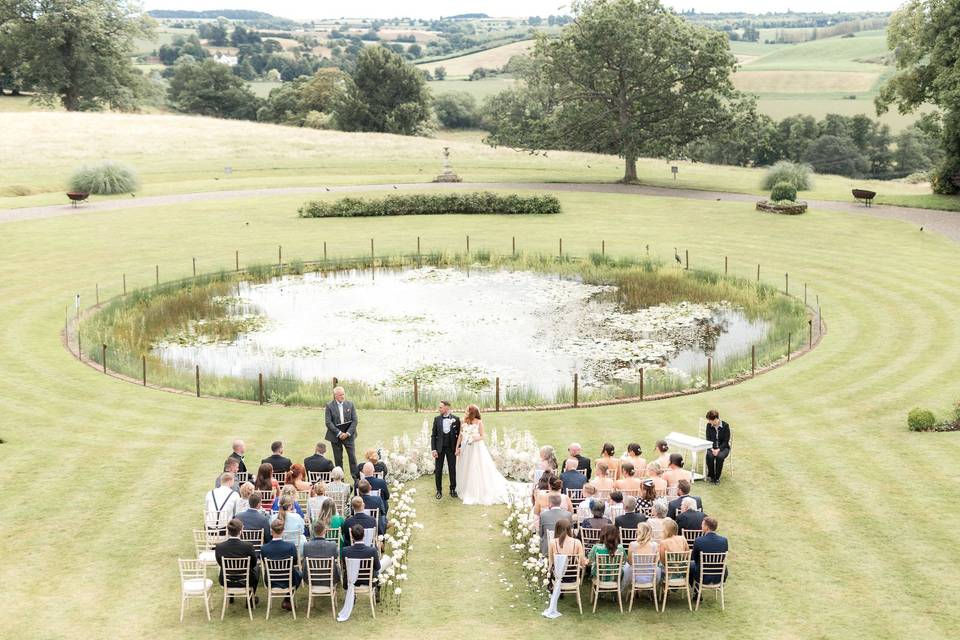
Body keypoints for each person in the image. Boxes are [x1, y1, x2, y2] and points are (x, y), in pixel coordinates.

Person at [455, 404, 513, 505]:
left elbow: (482, 436)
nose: (465, 411)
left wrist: (473, 438)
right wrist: (457, 447)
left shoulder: (479, 422)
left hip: (476, 449)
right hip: (466, 448)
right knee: (465, 466)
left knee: (475, 467)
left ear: (472, 412)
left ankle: (475, 490)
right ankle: (464, 487)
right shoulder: (463, 421)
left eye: (467, 410)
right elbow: (460, 435)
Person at [260, 519, 302, 610]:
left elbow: (265, 563)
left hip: (270, 580)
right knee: (299, 574)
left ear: (271, 531)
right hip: (288, 580)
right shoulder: (290, 546)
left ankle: (287, 600)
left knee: (297, 574)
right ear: (283, 531)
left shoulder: (264, 548)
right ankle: (287, 599)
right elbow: (294, 562)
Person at [215, 518, 260, 600]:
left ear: (228, 531)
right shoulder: (248, 546)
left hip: (226, 580)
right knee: (257, 567)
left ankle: (231, 596)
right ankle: (250, 598)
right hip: (245, 580)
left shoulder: (219, 547)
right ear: (241, 531)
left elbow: (220, 563)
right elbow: (253, 564)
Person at [325, 386, 359, 481]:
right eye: (340, 395)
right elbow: (328, 422)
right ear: (335, 396)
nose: (342, 396)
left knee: (352, 458)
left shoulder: (350, 404)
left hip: (349, 435)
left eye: (343, 394)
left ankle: (356, 479)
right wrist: (339, 433)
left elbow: (355, 421)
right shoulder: (329, 406)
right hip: (336, 437)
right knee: (338, 459)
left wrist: (347, 433)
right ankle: (341, 480)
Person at [431, 401, 461, 500]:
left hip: (451, 448)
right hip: (439, 449)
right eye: (439, 407)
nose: (439, 409)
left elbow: (459, 436)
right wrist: (433, 449)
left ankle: (453, 489)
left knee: (452, 469)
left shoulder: (456, 419)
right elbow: (433, 436)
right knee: (438, 470)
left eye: (441, 407)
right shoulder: (437, 419)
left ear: (447, 408)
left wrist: (458, 447)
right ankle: (438, 490)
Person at [547, 518, 586, 590]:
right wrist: (586, 561)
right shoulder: (577, 542)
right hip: (572, 577)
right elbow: (582, 563)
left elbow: (551, 562)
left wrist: (548, 576)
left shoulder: (552, 542)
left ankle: (554, 588)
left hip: (558, 578)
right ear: (569, 529)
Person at [341, 523, 383, 589]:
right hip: (368, 581)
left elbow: (345, 567)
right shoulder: (372, 551)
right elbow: (377, 567)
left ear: (351, 536)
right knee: (383, 563)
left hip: (351, 581)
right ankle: (377, 591)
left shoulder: (345, 551)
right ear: (364, 535)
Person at [690, 516, 728, 587]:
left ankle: (696, 590)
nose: (700, 525)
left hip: (703, 576)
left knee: (690, 564)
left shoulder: (699, 540)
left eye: (702, 524)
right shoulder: (724, 540)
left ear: (707, 527)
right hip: (719, 576)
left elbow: (694, 558)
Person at [621, 521, 660, 590]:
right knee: (658, 569)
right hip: (650, 576)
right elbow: (655, 563)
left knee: (626, 567)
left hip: (635, 575)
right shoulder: (655, 545)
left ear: (639, 532)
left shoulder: (632, 544)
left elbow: (630, 562)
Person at [303, 519, 341, 587]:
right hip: (330, 578)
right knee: (337, 566)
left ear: (313, 531)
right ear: (325, 531)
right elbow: (336, 556)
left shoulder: (306, 545)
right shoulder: (332, 545)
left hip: (311, 579)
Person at [704, 410, 732, 484]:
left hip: (723, 448)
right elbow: (708, 439)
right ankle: (712, 476)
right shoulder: (709, 426)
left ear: (716, 419)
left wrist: (718, 450)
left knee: (720, 457)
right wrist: (712, 449)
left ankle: (717, 478)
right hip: (711, 447)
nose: (709, 422)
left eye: (710, 420)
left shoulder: (725, 426)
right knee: (709, 456)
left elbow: (726, 441)